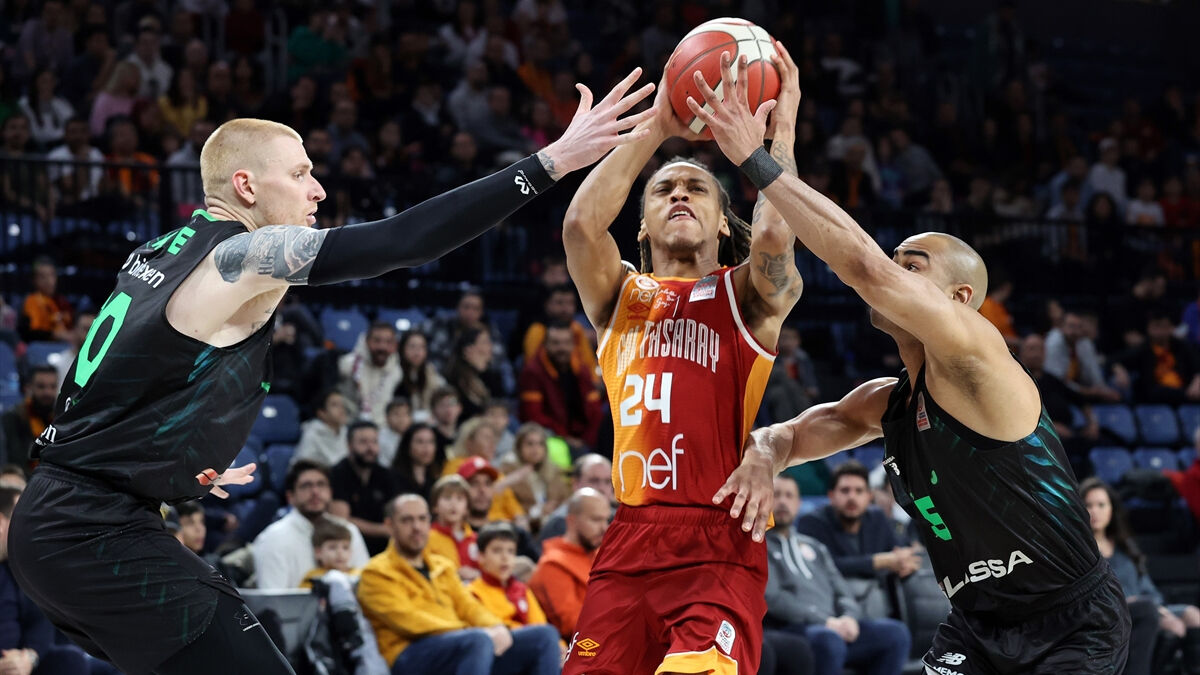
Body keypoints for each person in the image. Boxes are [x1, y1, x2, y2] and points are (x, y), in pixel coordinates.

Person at [9, 72, 651, 674]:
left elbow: (108, 383)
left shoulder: (158, 253)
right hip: (92, 530)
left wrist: (170, 457)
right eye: (300, 173)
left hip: (62, 521)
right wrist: (552, 162)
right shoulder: (244, 254)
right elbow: (401, 241)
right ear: (246, 187)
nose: (317, 189)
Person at [702, 44, 1131, 673]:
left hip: (1070, 624)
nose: (895, 271)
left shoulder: (979, 356)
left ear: (958, 300)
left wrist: (756, 161)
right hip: (975, 629)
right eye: (896, 261)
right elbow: (786, 434)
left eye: (913, 265)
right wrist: (764, 458)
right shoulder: (888, 403)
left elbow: (863, 266)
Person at [560, 49, 804, 674]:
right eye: (663, 190)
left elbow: (775, 236)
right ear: (641, 227)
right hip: (630, 536)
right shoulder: (619, 296)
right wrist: (657, 127)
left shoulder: (747, 296)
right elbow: (582, 225)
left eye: (696, 189)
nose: (679, 195)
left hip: (717, 537)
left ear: (723, 224)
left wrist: (778, 134)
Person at [356, 494, 561, 674]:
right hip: (409, 653)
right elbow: (409, 622)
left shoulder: (443, 566)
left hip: (462, 644)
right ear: (389, 525)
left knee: (545, 636)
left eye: (422, 519)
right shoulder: (375, 572)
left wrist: (497, 627)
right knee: (478, 640)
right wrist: (472, 632)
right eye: (407, 520)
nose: (416, 527)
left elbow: (468, 606)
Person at [766, 477, 911, 675]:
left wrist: (849, 617)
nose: (782, 501)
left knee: (895, 634)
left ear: (798, 504)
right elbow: (773, 598)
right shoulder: (759, 546)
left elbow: (842, 590)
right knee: (829, 641)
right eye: (776, 495)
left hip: (835, 627)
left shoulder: (815, 546)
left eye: (789, 496)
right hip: (793, 629)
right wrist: (825, 622)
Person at [1081, 478, 1200, 675]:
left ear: (1111, 509)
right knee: (1170, 624)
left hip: (1149, 607)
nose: (1095, 511)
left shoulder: (1125, 546)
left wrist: (1160, 608)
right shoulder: (1083, 550)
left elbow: (1146, 586)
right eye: (1089, 505)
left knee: (1193, 615)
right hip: (1114, 612)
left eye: (1101, 505)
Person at [795, 461, 920, 618]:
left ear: (869, 496)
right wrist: (877, 561)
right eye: (845, 490)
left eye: (859, 491)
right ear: (831, 496)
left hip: (878, 605)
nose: (852, 497)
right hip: (833, 609)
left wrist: (904, 563)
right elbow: (820, 567)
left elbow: (898, 549)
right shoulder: (812, 523)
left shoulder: (877, 518)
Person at [0, 485, 91, 675]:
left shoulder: (16, 567)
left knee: (73, 661)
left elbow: (40, 621)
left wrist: (29, 657)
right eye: (22, 520)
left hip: (22, 666)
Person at [253, 460, 370, 590]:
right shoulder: (273, 538)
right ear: (290, 497)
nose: (315, 491)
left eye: (321, 484)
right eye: (306, 486)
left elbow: (366, 587)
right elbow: (272, 599)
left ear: (330, 492)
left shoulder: (349, 530)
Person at [529, 487, 611, 641]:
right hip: (586, 647)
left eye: (606, 520)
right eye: (596, 520)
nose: (604, 528)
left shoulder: (603, 555)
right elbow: (573, 624)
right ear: (572, 521)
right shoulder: (553, 565)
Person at [517, 320, 606, 451]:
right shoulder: (533, 372)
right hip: (552, 436)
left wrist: (587, 440)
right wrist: (566, 438)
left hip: (583, 438)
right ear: (545, 345)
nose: (562, 348)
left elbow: (595, 410)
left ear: (573, 345)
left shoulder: (582, 370)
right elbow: (532, 415)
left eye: (566, 343)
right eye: (556, 343)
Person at [466, 523, 553, 632]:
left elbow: (540, 624)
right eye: (497, 550)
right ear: (481, 556)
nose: (505, 557)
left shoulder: (522, 589)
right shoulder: (473, 593)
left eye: (510, 551)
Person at [330, 420, 397, 555]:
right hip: (350, 547)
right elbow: (341, 520)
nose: (370, 448)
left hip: (385, 548)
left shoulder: (385, 474)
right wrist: (383, 530)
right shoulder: (337, 474)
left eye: (374, 442)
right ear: (349, 445)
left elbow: (395, 510)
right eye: (363, 442)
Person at [537, 453, 614, 544]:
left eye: (608, 481)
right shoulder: (560, 523)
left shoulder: (618, 518)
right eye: (594, 480)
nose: (602, 488)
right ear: (575, 483)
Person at [424, 474, 480, 581]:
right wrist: (455, 574)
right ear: (435, 506)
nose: (453, 504)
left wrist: (477, 574)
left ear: (467, 508)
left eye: (459, 499)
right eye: (447, 497)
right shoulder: (426, 538)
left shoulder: (476, 539)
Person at [0, 366, 57, 470]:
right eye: (41, 386)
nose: (48, 392)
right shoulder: (12, 419)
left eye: (53, 387)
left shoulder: (61, 419)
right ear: (29, 388)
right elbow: (11, 462)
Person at [19, 258, 72, 342]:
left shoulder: (62, 301)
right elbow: (35, 332)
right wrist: (59, 336)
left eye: (52, 275)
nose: (49, 281)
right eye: (42, 277)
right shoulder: (32, 301)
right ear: (34, 280)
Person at [293, 389, 350, 467]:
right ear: (321, 413)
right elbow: (301, 466)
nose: (342, 409)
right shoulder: (312, 434)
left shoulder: (346, 432)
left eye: (342, 405)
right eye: (335, 405)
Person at [391, 423, 444, 502]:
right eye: (420, 442)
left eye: (431, 442)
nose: (426, 447)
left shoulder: (437, 479)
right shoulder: (393, 478)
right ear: (407, 445)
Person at [376, 399, 412, 468]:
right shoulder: (379, 438)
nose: (401, 419)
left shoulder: (413, 435)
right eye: (396, 414)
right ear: (387, 417)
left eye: (405, 414)